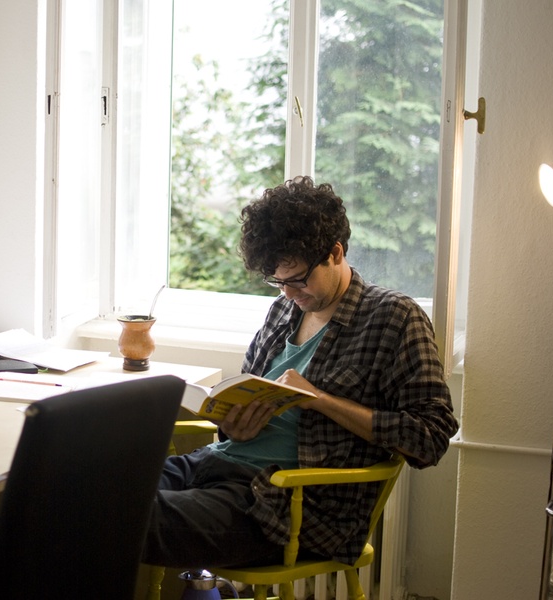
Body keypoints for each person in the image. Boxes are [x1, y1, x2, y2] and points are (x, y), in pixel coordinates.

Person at [140, 176, 459, 569]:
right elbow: (243, 400)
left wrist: (321, 401)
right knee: (90, 486)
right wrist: (236, 427)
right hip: (215, 465)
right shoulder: (282, 312)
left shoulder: (394, 317)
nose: (288, 293)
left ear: (335, 252)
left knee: (129, 518)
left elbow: (431, 436)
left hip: (281, 504)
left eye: (297, 279)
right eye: (278, 281)